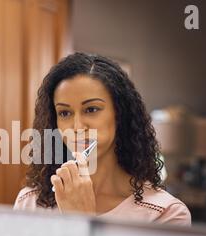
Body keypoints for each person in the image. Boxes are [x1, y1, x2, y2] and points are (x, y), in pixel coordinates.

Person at [13, 52, 191, 226]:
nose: (77, 127)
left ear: (120, 114)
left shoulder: (166, 214)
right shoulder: (29, 202)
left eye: (91, 109)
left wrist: (80, 219)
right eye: (65, 113)